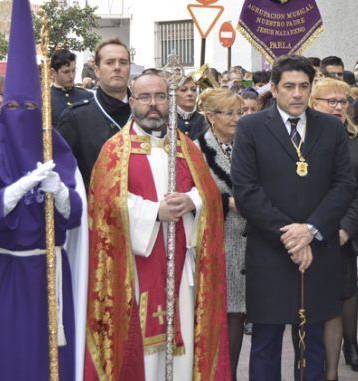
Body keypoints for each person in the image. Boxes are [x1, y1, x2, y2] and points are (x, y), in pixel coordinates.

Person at [0, 1, 88, 379]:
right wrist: (16, 190)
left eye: (29, 105)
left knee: (53, 359)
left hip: (50, 268)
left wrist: (61, 193)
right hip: (7, 273)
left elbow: (78, 213)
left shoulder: (56, 147)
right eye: (12, 105)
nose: (20, 112)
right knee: (14, 355)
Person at [84, 73, 229, 381]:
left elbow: (210, 196)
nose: (153, 105)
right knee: (142, 353)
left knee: (186, 347)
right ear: (132, 101)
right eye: (145, 97)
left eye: (160, 97)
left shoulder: (186, 148)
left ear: (169, 101)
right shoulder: (115, 151)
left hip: (183, 269)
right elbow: (104, 206)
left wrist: (193, 201)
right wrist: (153, 212)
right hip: (135, 269)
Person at [231, 55, 356, 380]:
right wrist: (290, 234)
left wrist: (311, 230)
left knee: (312, 341)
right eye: (289, 86)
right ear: (274, 88)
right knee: (266, 341)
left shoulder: (330, 127)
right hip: (270, 251)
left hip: (318, 251)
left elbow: (344, 184)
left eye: (304, 86)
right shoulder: (251, 127)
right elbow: (246, 190)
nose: (297, 94)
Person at [309, 77, 358, 378]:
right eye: (330, 101)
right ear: (314, 103)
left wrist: (346, 229)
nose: (338, 107)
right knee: (308, 306)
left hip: (341, 235)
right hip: (305, 233)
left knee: (341, 298)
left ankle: (335, 367)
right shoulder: (299, 137)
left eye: (343, 101)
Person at [195, 88, 247, 380]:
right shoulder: (196, 149)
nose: (235, 119)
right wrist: (225, 202)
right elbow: (191, 193)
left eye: (239, 112)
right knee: (222, 313)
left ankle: (233, 371)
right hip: (217, 240)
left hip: (252, 239)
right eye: (228, 113)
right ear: (210, 116)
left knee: (239, 313)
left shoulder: (249, 144)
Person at [57, 38, 132, 189]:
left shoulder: (145, 112)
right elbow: (64, 175)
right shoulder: (76, 117)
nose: (117, 67)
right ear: (97, 70)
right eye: (109, 62)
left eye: (123, 62)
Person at [50, 49, 93, 126]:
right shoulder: (44, 99)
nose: (71, 76)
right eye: (66, 72)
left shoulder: (87, 96)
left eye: (73, 70)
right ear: (53, 72)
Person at [176, 75, 207, 139]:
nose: (190, 93)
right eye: (184, 90)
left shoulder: (205, 120)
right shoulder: (167, 121)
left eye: (193, 90)